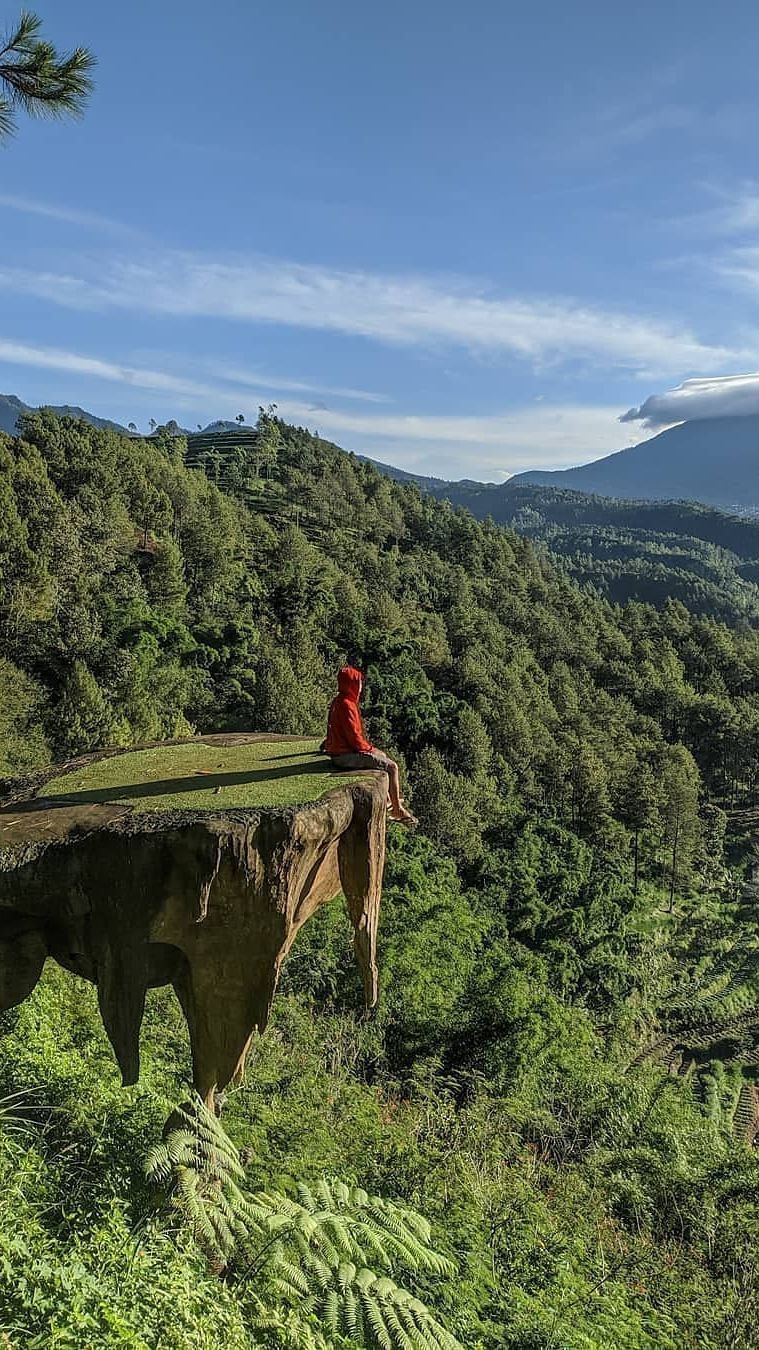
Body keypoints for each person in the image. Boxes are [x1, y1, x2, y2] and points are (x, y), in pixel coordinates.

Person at [322, 666, 417, 826]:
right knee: (392, 767)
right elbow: (355, 739)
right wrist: (370, 749)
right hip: (345, 756)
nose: (360, 687)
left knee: (382, 757)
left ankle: (389, 799)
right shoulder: (347, 705)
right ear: (351, 684)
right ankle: (397, 809)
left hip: (340, 753)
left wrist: (373, 750)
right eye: (358, 683)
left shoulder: (339, 700)